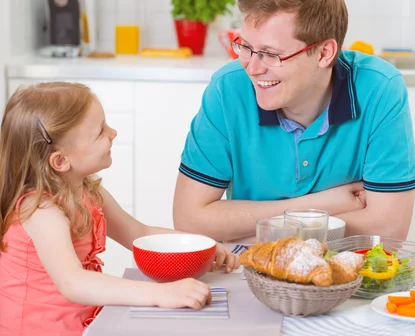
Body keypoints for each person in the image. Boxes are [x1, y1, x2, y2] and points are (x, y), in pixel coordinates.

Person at [173, 0, 415, 243]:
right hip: (250, 274)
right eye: (246, 47)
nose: (252, 68)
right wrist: (320, 205)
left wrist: (258, 226)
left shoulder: (380, 88)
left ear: (324, 53)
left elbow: (388, 230)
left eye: (271, 54)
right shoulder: (229, 88)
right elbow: (189, 220)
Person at [0, 82, 240, 336]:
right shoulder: (41, 210)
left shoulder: (88, 192)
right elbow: (73, 282)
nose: (113, 133)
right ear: (61, 161)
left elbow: (138, 233)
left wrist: (201, 248)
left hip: (80, 324)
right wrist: (160, 293)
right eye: (100, 132)